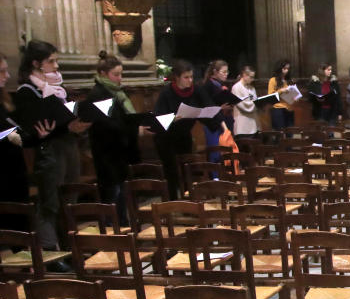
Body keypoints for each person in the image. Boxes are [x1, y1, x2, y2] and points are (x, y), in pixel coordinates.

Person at [13, 40, 89, 251]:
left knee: (69, 200)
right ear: (36, 63)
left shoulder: (57, 89)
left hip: (67, 147)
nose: (56, 66)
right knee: (50, 203)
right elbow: (32, 126)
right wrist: (60, 128)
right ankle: (49, 250)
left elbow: (63, 116)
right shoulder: (27, 91)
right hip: (49, 152)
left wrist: (78, 124)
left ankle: (69, 247)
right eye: (51, 61)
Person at [153, 59, 221, 199]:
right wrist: (173, 118)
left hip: (183, 136)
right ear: (177, 78)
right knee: (171, 173)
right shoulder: (167, 92)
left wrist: (216, 112)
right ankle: (172, 203)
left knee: (186, 171)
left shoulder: (196, 90)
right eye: (186, 77)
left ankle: (188, 202)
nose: (190, 80)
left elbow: (208, 106)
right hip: (166, 139)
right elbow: (158, 119)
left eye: (191, 77)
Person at [87, 51, 141, 225]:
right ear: (103, 74)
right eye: (116, 74)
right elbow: (109, 124)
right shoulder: (98, 94)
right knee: (112, 196)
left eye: (121, 74)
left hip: (119, 153)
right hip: (106, 153)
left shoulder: (116, 93)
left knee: (121, 196)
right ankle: (113, 234)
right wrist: (134, 128)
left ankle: (124, 228)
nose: (120, 78)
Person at [0, 53, 37, 233]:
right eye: (2, 71)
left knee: (21, 221)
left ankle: (26, 255)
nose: (7, 76)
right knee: (10, 222)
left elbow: (16, 126)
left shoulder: (5, 101)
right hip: (3, 171)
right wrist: (5, 135)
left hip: (14, 166)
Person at [200, 59, 232, 161]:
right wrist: (220, 107)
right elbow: (205, 107)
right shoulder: (208, 85)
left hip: (223, 120)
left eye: (227, 72)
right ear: (215, 71)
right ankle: (215, 176)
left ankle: (224, 173)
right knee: (215, 151)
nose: (226, 74)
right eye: (224, 72)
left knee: (225, 150)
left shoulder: (220, 84)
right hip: (211, 123)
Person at [231, 65, 260, 138]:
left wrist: (260, 103)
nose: (252, 79)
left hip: (253, 124)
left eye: (253, 77)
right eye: (251, 77)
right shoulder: (236, 87)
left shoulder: (251, 88)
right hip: (242, 126)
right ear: (244, 75)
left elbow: (255, 100)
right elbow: (243, 106)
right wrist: (257, 103)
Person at [267, 59, 296, 130]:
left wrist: (295, 97)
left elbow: (293, 95)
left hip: (289, 109)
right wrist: (281, 91)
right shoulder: (273, 80)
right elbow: (270, 96)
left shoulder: (290, 80)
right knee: (280, 133)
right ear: (279, 68)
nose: (286, 71)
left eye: (288, 69)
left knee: (290, 133)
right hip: (278, 109)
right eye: (284, 68)